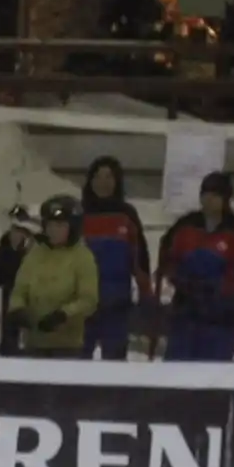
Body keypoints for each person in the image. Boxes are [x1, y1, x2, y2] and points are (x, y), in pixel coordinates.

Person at [159, 172, 234, 363]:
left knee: (212, 370)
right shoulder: (185, 225)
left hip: (221, 317)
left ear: (225, 198)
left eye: (215, 194)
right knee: (177, 368)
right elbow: (167, 256)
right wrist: (179, 280)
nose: (209, 199)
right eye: (205, 193)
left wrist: (220, 291)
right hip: (184, 311)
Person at [0, 195, 101, 356]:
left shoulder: (83, 257)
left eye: (60, 225)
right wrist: (18, 310)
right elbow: (19, 291)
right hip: (33, 345)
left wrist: (63, 315)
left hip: (68, 347)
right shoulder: (35, 254)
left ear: (73, 227)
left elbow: (88, 300)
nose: (53, 230)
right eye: (49, 225)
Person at [71, 154, 151, 360]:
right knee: (77, 362)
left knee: (114, 363)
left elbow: (139, 255)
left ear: (117, 181)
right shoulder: (78, 215)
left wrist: (146, 294)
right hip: (81, 304)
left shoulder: (126, 215)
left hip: (116, 304)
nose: (103, 182)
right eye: (98, 177)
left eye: (109, 177)